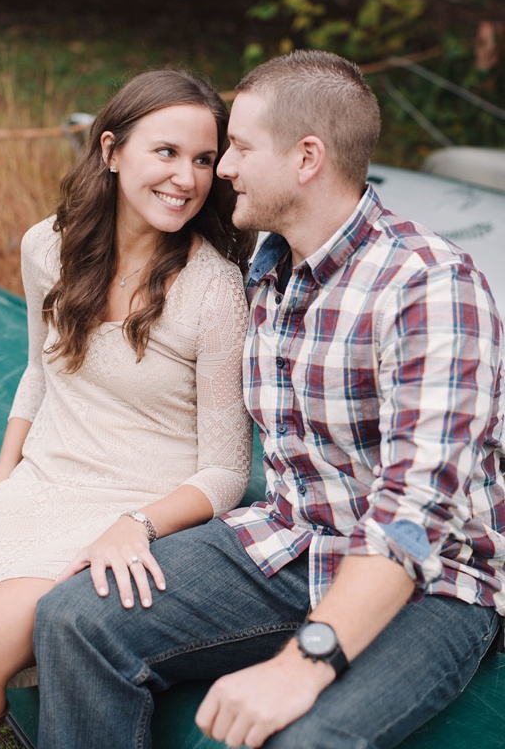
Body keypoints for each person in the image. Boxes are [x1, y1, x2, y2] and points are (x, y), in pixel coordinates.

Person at [33, 49, 505, 749]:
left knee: (302, 740)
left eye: (240, 149)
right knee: (74, 619)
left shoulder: (430, 288)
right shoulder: (269, 268)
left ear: (307, 157)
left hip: (430, 583)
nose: (221, 169)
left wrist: (306, 660)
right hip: (292, 539)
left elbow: (414, 519)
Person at [0, 68, 255, 749]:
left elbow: (225, 473)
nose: (187, 177)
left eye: (204, 159)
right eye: (167, 152)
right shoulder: (47, 247)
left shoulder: (214, 292)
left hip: (131, 510)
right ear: (109, 150)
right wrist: (1, 481)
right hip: (39, 488)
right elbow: (42, 372)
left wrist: (137, 524)